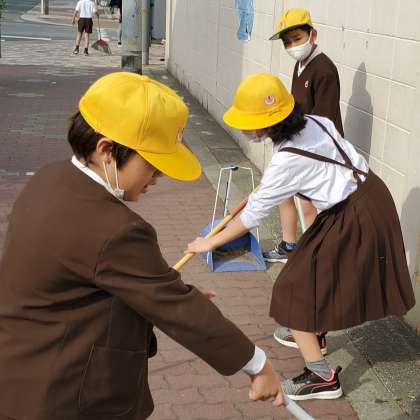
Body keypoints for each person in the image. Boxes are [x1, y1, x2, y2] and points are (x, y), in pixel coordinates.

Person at [0, 72, 283, 420]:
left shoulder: (49, 178)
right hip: (68, 395)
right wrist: (258, 365)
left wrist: (164, 291)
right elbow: (177, 309)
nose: (158, 177)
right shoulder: (115, 228)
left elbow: (87, 279)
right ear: (106, 150)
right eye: (153, 165)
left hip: (23, 376)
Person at [187, 73, 415, 401]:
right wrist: (270, 188)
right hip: (368, 196)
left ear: (268, 123)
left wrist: (211, 241)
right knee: (315, 276)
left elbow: (252, 216)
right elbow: (316, 171)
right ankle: (313, 331)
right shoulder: (315, 121)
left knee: (291, 290)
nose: (245, 128)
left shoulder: (285, 161)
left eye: (249, 122)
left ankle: (321, 377)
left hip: (353, 214)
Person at [264, 8, 344, 265]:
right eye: (287, 42)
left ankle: (315, 258)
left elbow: (324, 119)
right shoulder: (300, 64)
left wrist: (303, 150)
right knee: (283, 192)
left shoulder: (324, 69)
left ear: (313, 35)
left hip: (318, 147)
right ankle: (289, 245)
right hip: (298, 142)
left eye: (297, 38)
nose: (292, 46)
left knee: (309, 206)